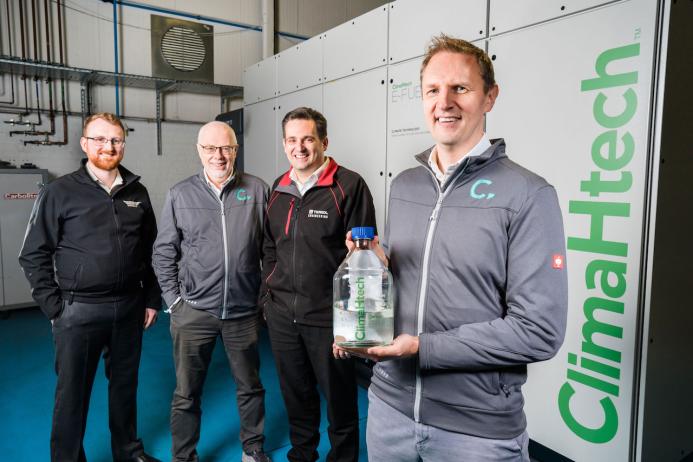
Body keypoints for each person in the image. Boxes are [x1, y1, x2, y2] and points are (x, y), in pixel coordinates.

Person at [335, 35, 569, 461]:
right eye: (432, 90)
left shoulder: (528, 194)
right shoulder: (405, 185)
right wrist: (378, 267)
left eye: (460, 88)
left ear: (490, 97)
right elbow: (417, 279)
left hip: (475, 429)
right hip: (389, 408)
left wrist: (422, 347)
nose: (444, 102)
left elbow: (539, 331)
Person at [18, 112, 162, 462]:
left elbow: (150, 250)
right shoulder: (59, 191)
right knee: (72, 394)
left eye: (115, 140)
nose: (107, 146)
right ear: (85, 144)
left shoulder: (136, 191)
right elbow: (33, 253)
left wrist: (151, 299)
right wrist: (55, 307)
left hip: (128, 308)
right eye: (99, 139)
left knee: (125, 387)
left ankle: (128, 451)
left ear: (123, 145)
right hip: (77, 311)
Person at [260, 107, 377, 462]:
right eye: (292, 140)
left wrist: (352, 327)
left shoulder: (350, 186)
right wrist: (269, 297)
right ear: (284, 144)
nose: (300, 147)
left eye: (308, 139)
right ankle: (302, 455)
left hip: (328, 320)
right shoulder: (278, 189)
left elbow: (365, 261)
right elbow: (269, 248)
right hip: (282, 316)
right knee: (296, 395)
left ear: (323, 142)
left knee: (340, 401)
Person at [152, 121, 271, 462]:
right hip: (194, 312)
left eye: (227, 148)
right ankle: (184, 457)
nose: (219, 155)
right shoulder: (180, 194)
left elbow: (270, 249)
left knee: (250, 386)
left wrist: (261, 297)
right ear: (199, 150)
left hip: (243, 311)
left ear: (236, 149)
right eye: (211, 148)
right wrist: (174, 301)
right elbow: (164, 252)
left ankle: (253, 450)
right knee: (186, 393)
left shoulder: (257, 190)